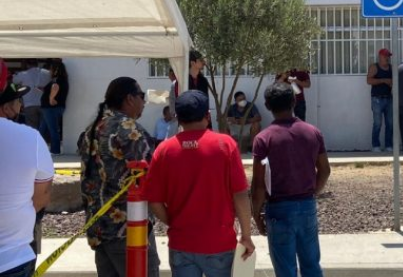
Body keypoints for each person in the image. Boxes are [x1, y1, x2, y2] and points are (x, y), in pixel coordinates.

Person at [145, 90, 255, 277]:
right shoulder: (225, 145)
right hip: (219, 242)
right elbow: (240, 194)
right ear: (208, 115)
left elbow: (153, 200)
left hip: (182, 243)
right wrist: (246, 234)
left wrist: (174, 222)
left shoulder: (164, 150)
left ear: (178, 119)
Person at [79, 77, 160, 277]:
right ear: (130, 99)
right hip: (129, 229)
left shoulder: (94, 128)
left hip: (99, 230)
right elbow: (153, 174)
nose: (143, 103)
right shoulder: (127, 128)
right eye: (142, 97)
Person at [251, 82, 331, 277]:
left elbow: (259, 185)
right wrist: (313, 192)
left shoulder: (263, 139)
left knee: (285, 269)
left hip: (278, 208)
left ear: (268, 106)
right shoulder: (312, 132)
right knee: (312, 265)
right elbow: (325, 170)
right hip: (306, 205)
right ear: (294, 101)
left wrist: (256, 214)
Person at [0, 81, 54, 277]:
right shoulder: (31, 138)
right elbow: (41, 196)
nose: (21, 106)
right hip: (12, 258)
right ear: (5, 108)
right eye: (18, 101)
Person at [367, 49, 393, 152]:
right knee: (377, 123)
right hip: (377, 99)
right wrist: (383, 80)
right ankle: (376, 145)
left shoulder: (391, 68)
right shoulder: (374, 67)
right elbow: (368, 80)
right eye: (385, 56)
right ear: (380, 56)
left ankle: (388, 145)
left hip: (389, 98)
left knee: (390, 123)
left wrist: (391, 83)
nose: (387, 58)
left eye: (388, 56)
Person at [40, 62, 68, 155]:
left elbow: (55, 87)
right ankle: (38, 148)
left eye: (51, 69)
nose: (50, 71)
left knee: (53, 130)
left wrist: (51, 99)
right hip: (54, 108)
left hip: (50, 108)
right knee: (42, 129)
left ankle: (55, 151)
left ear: (55, 70)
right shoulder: (63, 80)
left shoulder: (56, 80)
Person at [13, 59, 50, 130]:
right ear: (37, 63)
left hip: (29, 105)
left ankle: (34, 141)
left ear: (27, 65)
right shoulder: (47, 73)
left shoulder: (23, 74)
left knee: (32, 129)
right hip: (44, 105)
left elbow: (14, 81)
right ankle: (43, 141)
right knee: (44, 129)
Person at [188, 50, 213, 130]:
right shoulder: (184, 80)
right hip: (189, 119)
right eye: (201, 60)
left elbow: (205, 100)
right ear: (192, 63)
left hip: (203, 118)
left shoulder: (203, 80)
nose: (203, 62)